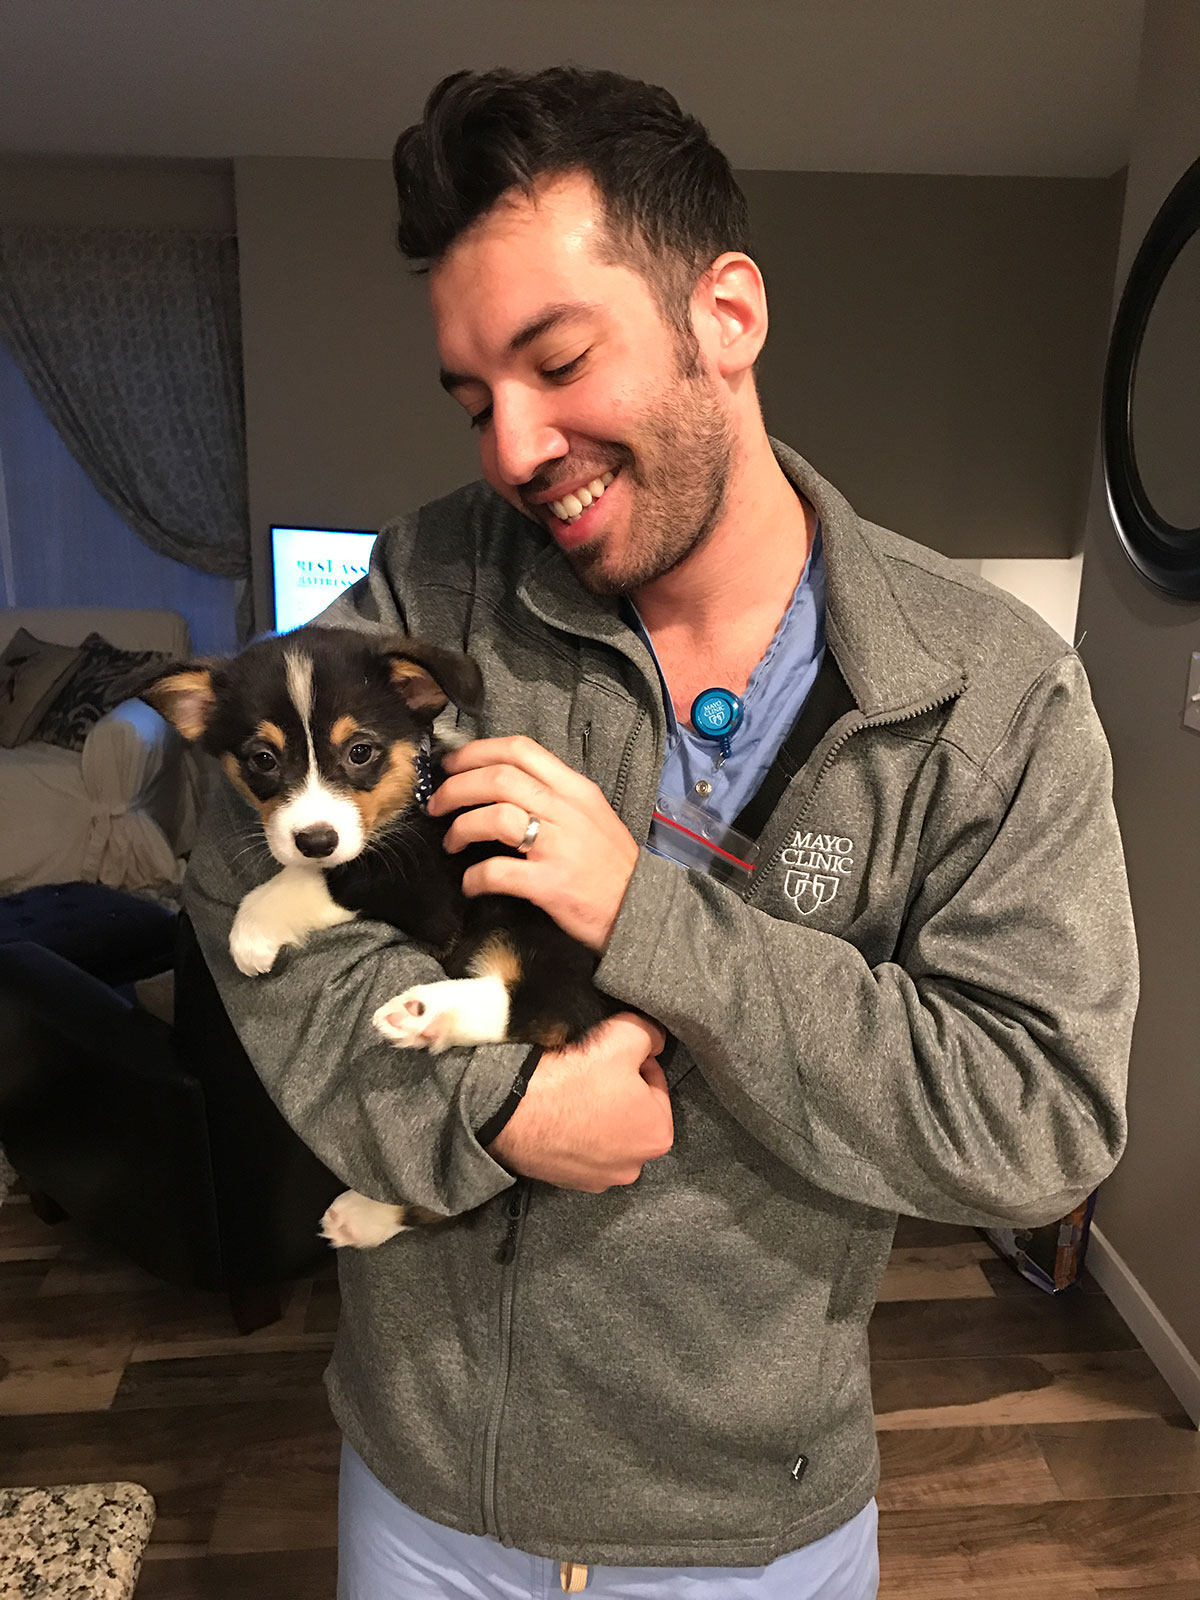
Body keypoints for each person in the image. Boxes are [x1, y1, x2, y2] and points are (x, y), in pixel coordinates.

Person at [184, 66, 1138, 1600]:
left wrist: (652, 919)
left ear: (727, 315)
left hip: (753, 1529)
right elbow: (228, 825)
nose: (511, 447)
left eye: (557, 361)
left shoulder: (989, 697)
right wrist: (493, 1109)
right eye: (473, 398)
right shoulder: (440, 579)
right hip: (426, 1495)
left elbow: (1040, 1122)